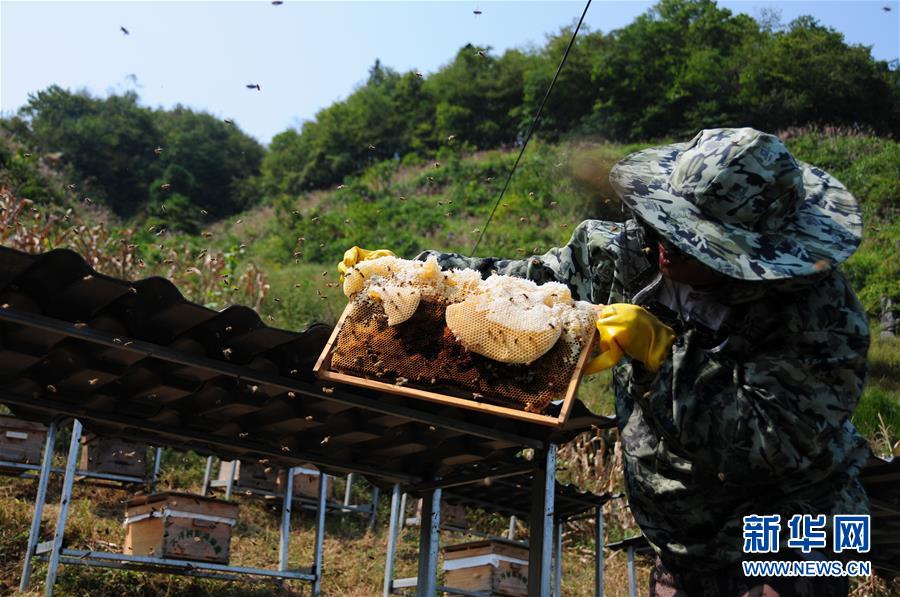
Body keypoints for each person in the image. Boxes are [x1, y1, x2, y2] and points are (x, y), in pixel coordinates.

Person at [340, 128, 870, 596]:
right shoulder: (624, 253)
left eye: (695, 241)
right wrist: (413, 273)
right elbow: (521, 287)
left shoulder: (823, 318)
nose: (670, 246)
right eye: (671, 225)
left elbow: (767, 441)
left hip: (804, 525)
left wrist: (661, 354)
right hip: (683, 536)